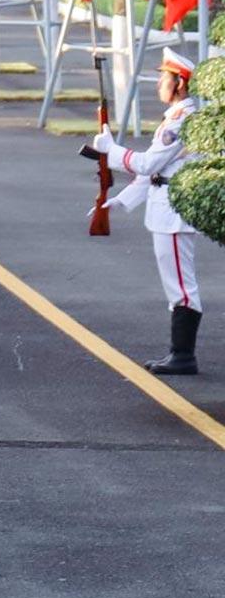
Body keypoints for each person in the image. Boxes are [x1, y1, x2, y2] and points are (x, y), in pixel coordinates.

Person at [94, 47, 204, 374]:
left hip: (173, 213)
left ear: (180, 83)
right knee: (176, 283)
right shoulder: (175, 117)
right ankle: (179, 352)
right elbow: (154, 174)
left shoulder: (181, 120)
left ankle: (183, 356)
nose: (158, 85)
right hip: (165, 206)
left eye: (164, 78)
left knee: (182, 285)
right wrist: (121, 199)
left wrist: (112, 151)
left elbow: (149, 163)